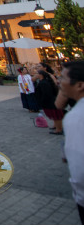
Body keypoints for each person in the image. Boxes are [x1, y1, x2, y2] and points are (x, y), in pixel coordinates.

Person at [60, 61, 84, 223]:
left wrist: (80, 196)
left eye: (62, 78)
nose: (59, 81)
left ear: (79, 85)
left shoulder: (76, 117)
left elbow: (79, 168)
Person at [34, 67, 64, 135]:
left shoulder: (44, 83)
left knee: (56, 116)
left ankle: (59, 129)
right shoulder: (43, 81)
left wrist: (42, 101)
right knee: (54, 116)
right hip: (50, 101)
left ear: (41, 75)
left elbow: (46, 94)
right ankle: (56, 126)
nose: (35, 75)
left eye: (37, 74)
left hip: (49, 102)